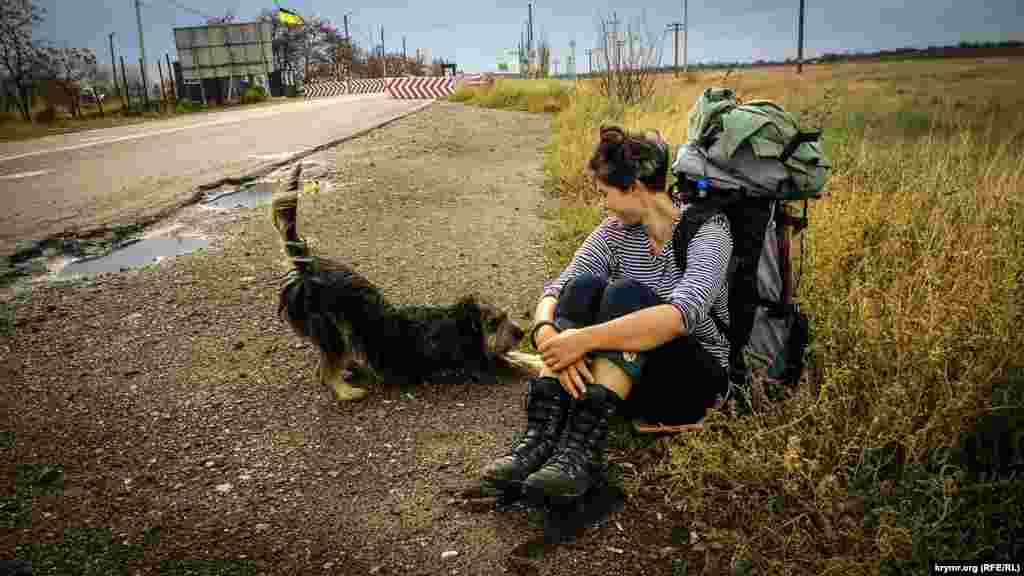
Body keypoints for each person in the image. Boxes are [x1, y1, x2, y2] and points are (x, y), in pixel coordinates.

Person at [480, 125, 734, 503]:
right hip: (626, 375)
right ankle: (542, 437)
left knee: (625, 293)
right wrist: (548, 333)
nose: (603, 205)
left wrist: (583, 339)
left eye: (605, 194)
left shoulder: (708, 231)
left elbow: (683, 314)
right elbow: (557, 289)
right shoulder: (615, 231)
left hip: (689, 380)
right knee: (582, 287)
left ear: (634, 188)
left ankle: (581, 454)